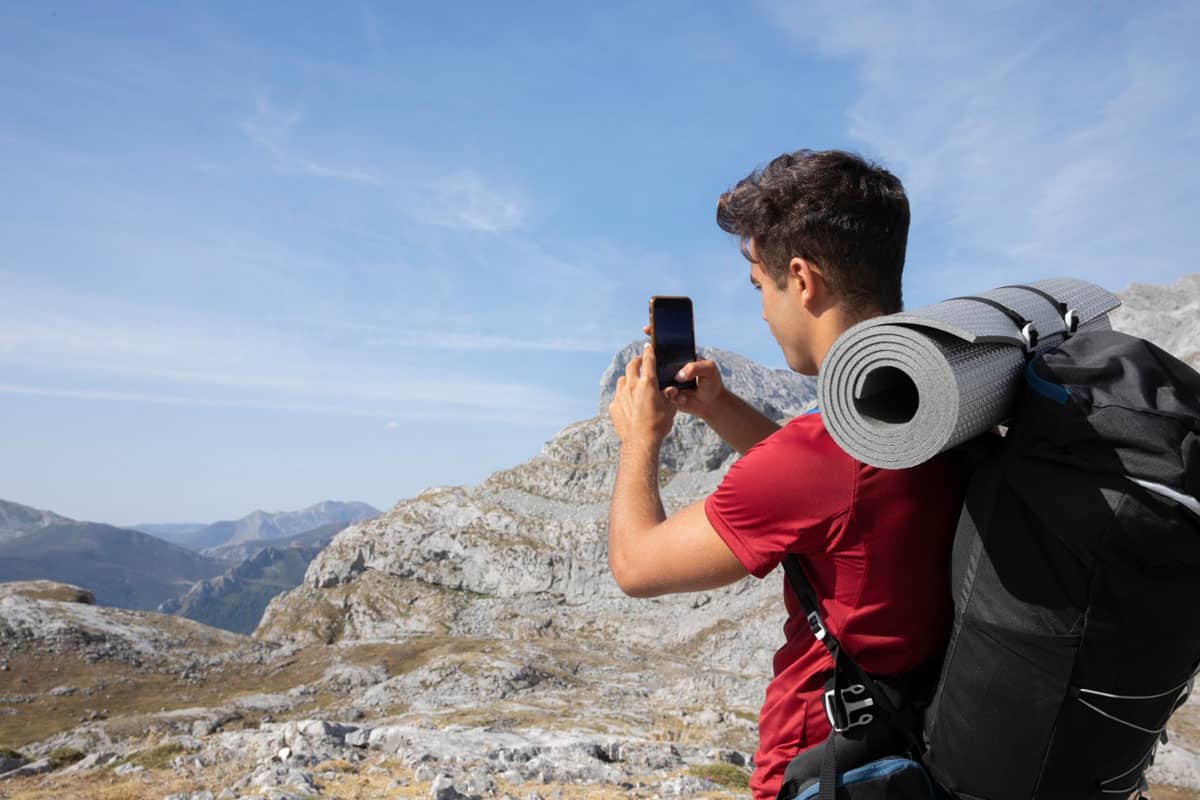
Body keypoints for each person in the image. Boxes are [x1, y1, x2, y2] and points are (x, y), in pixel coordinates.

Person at [606, 149, 964, 800]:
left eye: (759, 288)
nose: (763, 314)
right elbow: (831, 500)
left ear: (802, 280)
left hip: (821, 772)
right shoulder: (924, 404)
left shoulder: (822, 453)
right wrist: (719, 407)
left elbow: (635, 564)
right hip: (900, 748)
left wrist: (640, 438)